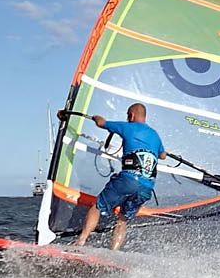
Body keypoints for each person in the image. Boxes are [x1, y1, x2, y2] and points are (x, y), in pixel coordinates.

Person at [64, 103, 166, 250]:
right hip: (147, 187)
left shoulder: (127, 127)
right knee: (123, 219)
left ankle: (80, 241)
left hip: (129, 180)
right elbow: (162, 155)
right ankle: (113, 253)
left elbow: (101, 122)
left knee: (97, 206)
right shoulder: (155, 135)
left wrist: (95, 117)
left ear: (131, 115)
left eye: (127, 115)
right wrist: (163, 151)